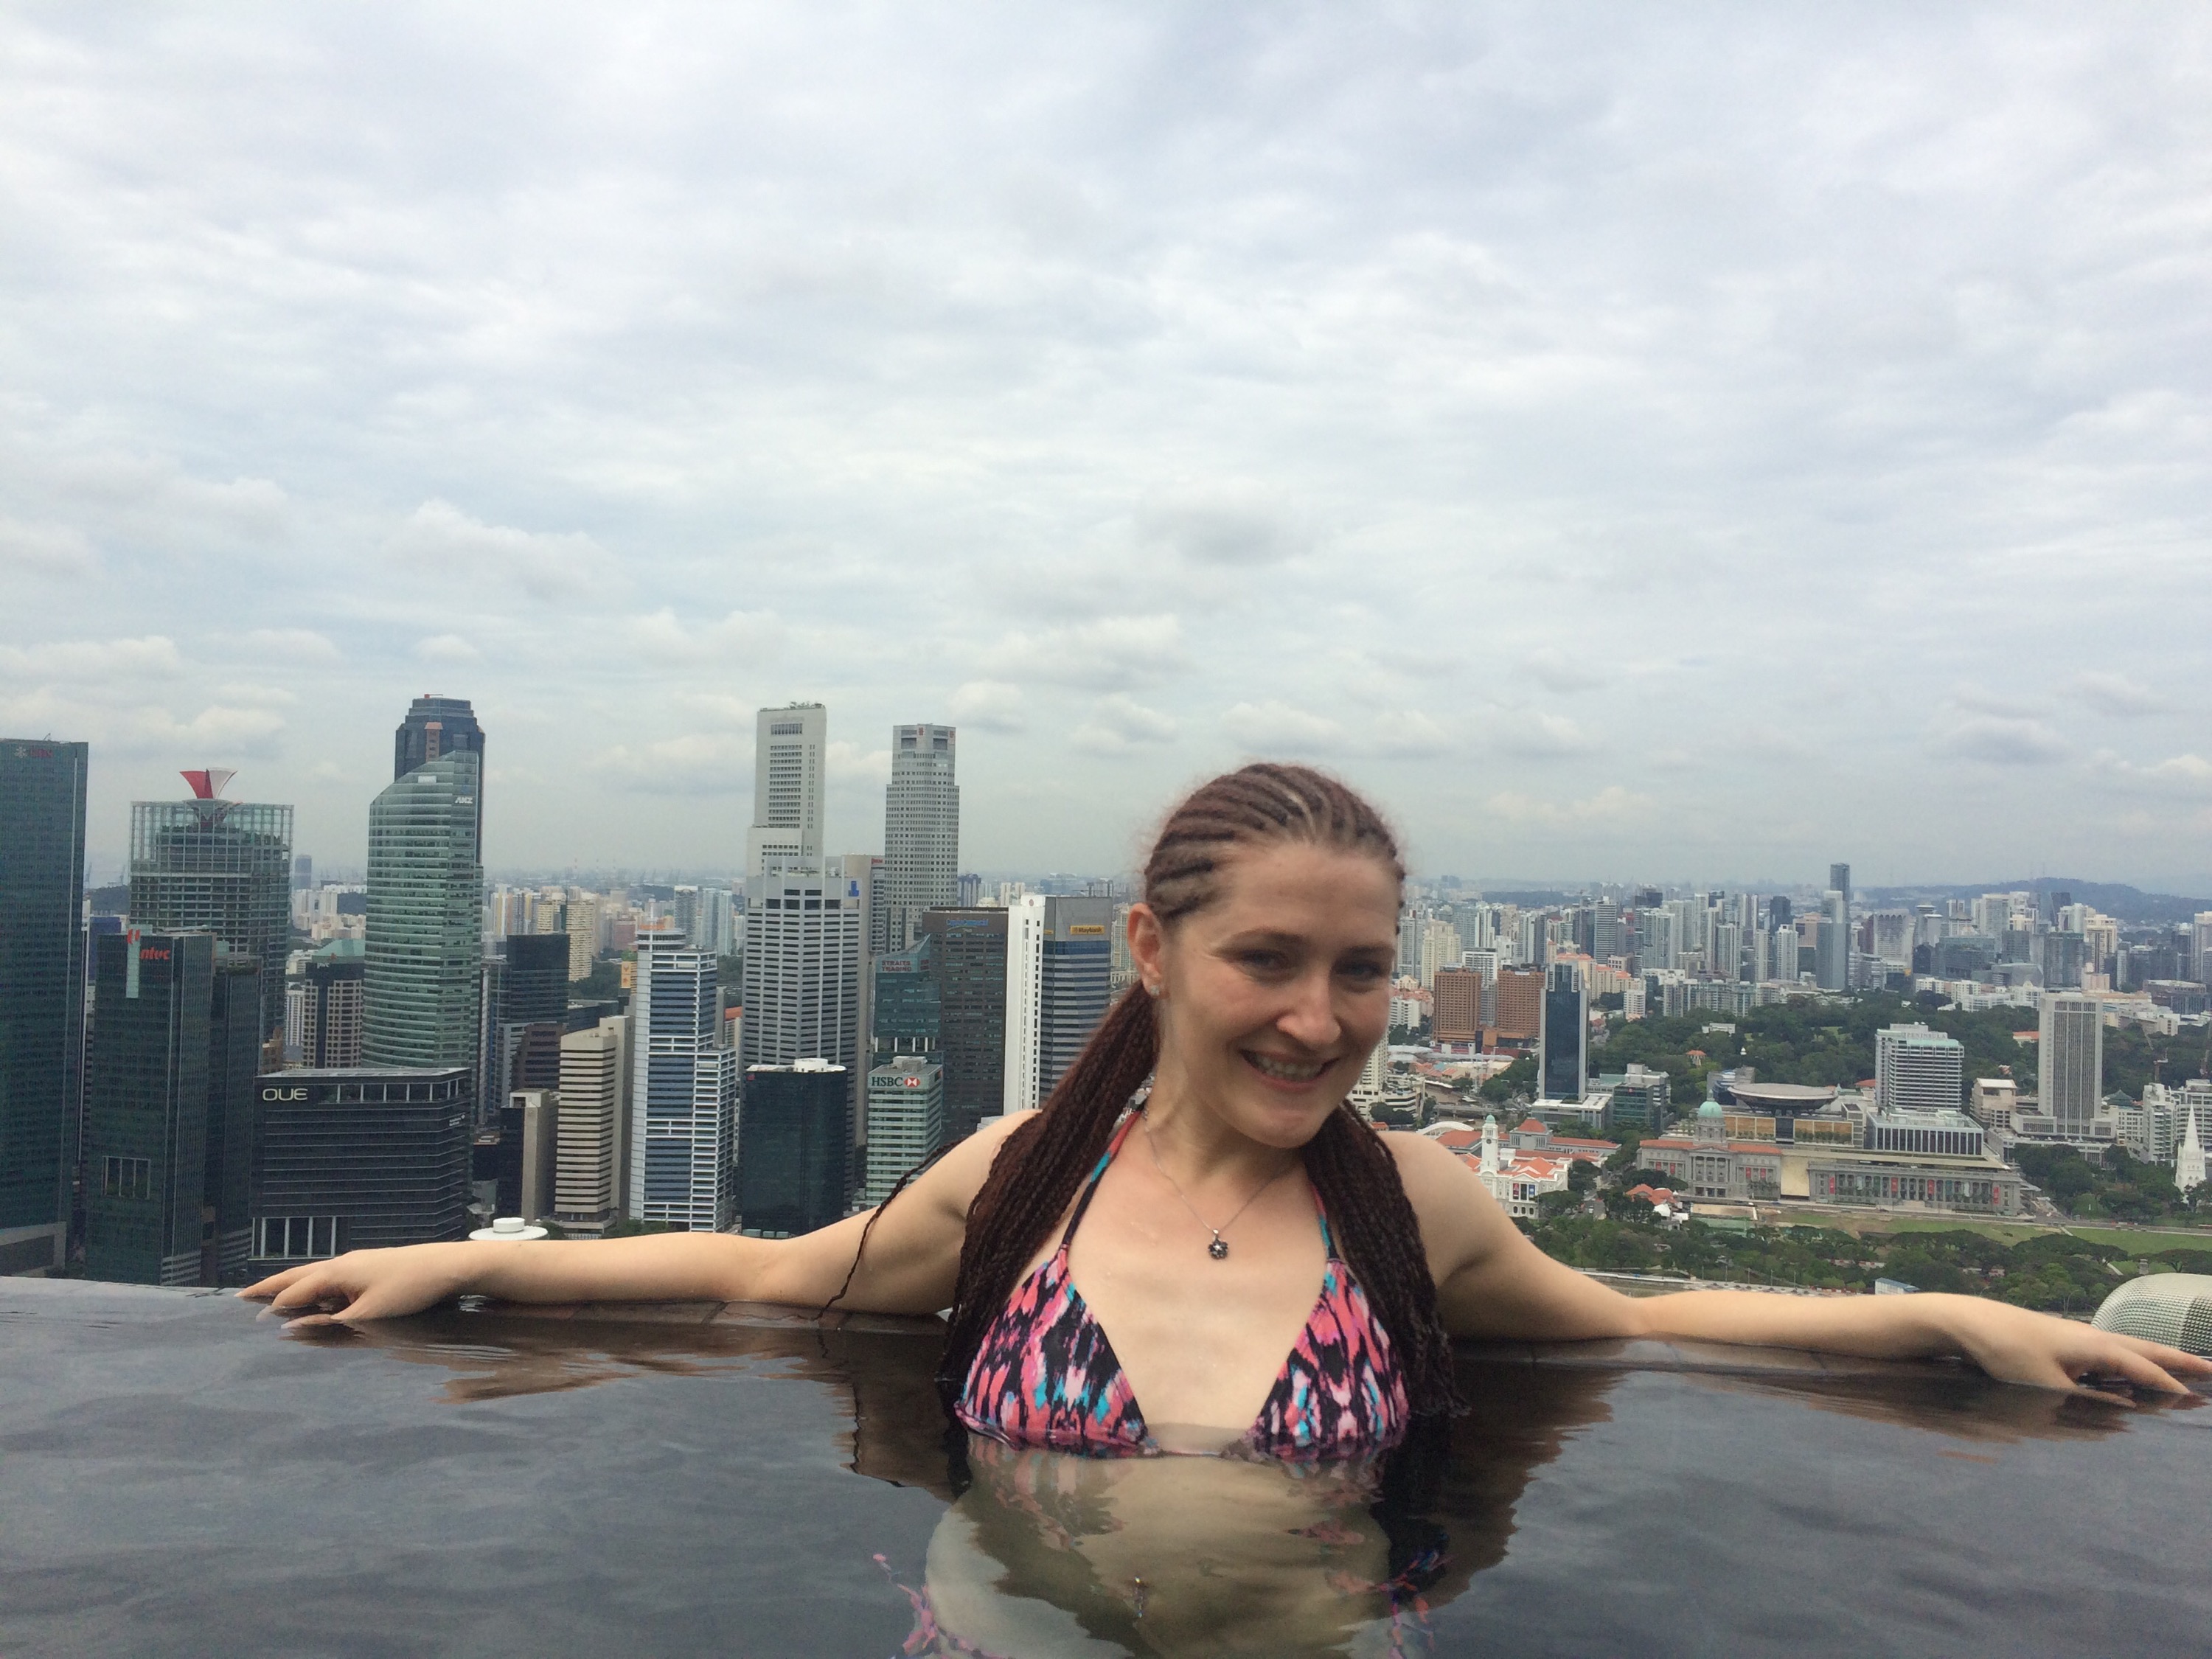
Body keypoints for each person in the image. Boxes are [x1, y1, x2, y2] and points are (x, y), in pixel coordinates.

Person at [244, 763, 2209, 1455]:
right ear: (1154, 951)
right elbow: (774, 1276)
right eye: (1270, 957)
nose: (1318, 1015)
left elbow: (1642, 1317)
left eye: (1362, 970)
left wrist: (1947, 1313)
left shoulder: (1413, 1205)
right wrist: (463, 1263)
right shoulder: (1020, 1181)